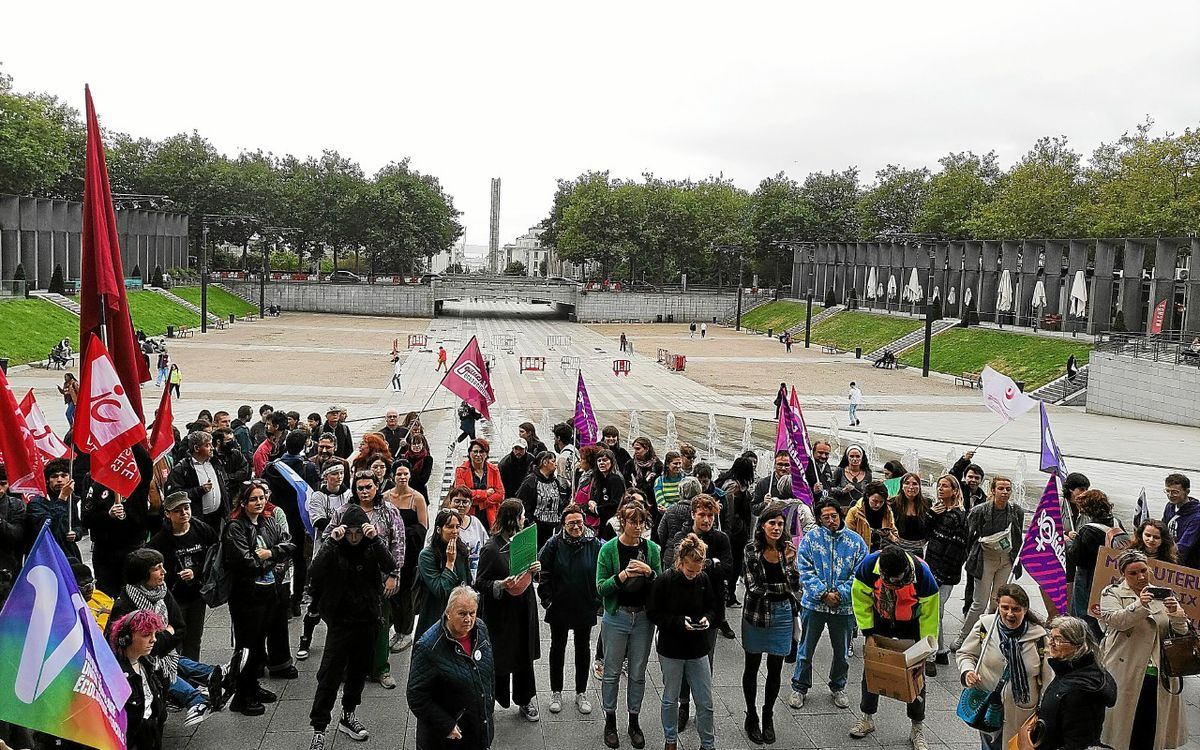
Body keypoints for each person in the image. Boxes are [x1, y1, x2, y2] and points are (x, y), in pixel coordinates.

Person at [306, 504, 397, 750]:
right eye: (350, 533)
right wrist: (332, 542)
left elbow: (390, 565)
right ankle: (319, 727)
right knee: (330, 674)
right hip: (341, 621)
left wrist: (376, 539)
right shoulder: (336, 548)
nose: (354, 538)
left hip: (367, 619)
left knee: (359, 671)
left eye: (358, 533)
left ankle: (348, 714)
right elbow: (313, 571)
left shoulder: (371, 547)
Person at [849, 546, 940, 749]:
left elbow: (930, 612)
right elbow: (860, 597)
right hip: (880, 619)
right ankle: (867, 718)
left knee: (916, 677)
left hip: (911, 623)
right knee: (871, 671)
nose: (894, 584)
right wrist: (868, 632)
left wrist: (925, 646)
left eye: (898, 580)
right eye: (889, 580)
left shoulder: (922, 573)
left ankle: (917, 728)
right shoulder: (869, 566)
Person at [1098, 549, 1189, 750]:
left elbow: (1181, 632)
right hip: (1126, 669)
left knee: (1151, 728)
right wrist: (1140, 605)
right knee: (1124, 730)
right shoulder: (1111, 593)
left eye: (1143, 571)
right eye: (1133, 573)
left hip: (1158, 673)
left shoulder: (1163, 593)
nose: (1140, 577)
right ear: (1123, 574)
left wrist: (1176, 613)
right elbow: (1117, 621)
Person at [323, 471, 404, 689]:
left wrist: (394, 575)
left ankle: (380, 669)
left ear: (377, 487)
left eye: (369, 487)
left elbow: (398, 545)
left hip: (379, 579)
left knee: (381, 624)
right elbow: (326, 538)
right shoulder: (343, 512)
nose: (365, 491)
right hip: (349, 580)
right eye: (360, 488)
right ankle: (348, 668)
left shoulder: (389, 511)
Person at [223, 481, 295, 716]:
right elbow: (247, 563)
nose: (259, 502)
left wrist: (270, 553)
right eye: (253, 499)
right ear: (243, 502)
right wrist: (271, 559)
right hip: (246, 597)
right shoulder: (235, 527)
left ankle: (253, 686)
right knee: (247, 647)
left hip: (269, 592)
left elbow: (288, 544)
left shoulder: (268, 520)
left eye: (261, 498)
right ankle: (241, 696)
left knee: (260, 645)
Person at [790, 499, 867, 712]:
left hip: (844, 608)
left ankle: (838, 685)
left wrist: (840, 594)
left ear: (840, 515)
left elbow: (861, 574)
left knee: (841, 651)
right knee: (806, 648)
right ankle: (799, 686)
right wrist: (823, 593)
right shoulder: (811, 539)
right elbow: (804, 569)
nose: (831, 521)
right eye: (826, 517)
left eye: (834, 516)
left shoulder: (856, 542)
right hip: (814, 605)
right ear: (819, 519)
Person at [596, 501, 662, 749]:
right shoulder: (609, 550)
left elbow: (661, 583)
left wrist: (649, 572)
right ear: (622, 522)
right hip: (617, 616)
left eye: (641, 522)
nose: (637, 527)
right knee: (611, 671)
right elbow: (600, 587)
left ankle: (634, 720)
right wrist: (622, 576)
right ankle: (610, 719)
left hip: (643, 618)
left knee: (637, 672)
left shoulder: (652, 549)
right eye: (632, 521)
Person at [956, 584, 1051, 750]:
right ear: (997, 605)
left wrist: (1044, 710)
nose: (1009, 614)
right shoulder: (985, 626)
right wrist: (968, 671)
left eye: (1016, 609)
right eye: (1004, 607)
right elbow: (966, 654)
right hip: (988, 705)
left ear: (1025, 609)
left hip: (1021, 711)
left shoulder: (1039, 637)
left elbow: (1048, 678)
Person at [663, 494, 734, 712]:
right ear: (693, 513)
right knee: (683, 661)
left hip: (711, 609)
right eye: (702, 514)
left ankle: (702, 703)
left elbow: (729, 569)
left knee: (705, 660)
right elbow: (674, 567)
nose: (706, 519)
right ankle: (683, 704)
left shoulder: (721, 539)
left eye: (710, 515)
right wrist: (712, 563)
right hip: (683, 607)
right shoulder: (681, 536)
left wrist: (701, 565)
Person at [648, 533, 720, 750]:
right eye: (690, 570)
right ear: (680, 562)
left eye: (698, 571)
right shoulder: (664, 581)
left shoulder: (703, 579)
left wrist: (708, 618)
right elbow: (653, 613)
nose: (694, 575)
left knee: (705, 702)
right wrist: (679, 622)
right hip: (671, 647)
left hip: (698, 647)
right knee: (670, 698)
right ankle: (670, 740)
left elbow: (713, 607)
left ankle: (708, 743)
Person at [740, 501, 800, 746]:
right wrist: (782, 587)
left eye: (780, 524)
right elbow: (753, 586)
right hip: (756, 614)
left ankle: (768, 714)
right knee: (752, 666)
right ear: (762, 525)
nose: (776, 528)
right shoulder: (751, 550)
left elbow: (795, 587)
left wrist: (789, 564)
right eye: (771, 523)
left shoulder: (787, 549)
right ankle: (751, 714)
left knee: (775, 669)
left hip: (782, 615)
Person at [476, 499, 543, 721]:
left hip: (524, 608)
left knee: (524, 655)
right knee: (501, 658)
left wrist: (536, 569)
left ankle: (525, 699)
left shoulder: (523, 541)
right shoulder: (491, 549)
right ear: (513, 519)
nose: (524, 519)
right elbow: (480, 582)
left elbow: (531, 572)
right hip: (501, 615)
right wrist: (501, 584)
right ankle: (492, 700)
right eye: (522, 515)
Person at [407, 586, 495, 750]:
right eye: (462, 614)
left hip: (478, 728)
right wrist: (446, 725)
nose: (468, 619)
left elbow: (489, 672)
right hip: (448, 738)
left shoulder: (480, 629)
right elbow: (415, 695)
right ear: (448, 612)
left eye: (472, 613)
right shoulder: (428, 647)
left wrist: (488, 707)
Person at [538, 503, 603, 715]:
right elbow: (543, 573)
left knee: (583, 649)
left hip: (585, 605)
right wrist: (547, 599)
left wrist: (596, 601)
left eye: (579, 522)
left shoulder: (594, 544)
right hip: (560, 606)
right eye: (571, 523)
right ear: (563, 525)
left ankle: (580, 693)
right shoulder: (553, 544)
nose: (576, 527)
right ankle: (556, 691)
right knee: (557, 648)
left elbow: (601, 573)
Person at [954, 475, 1024, 650]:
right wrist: (971, 557)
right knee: (980, 602)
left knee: (997, 601)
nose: (1005, 492)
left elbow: (1017, 537)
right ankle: (963, 637)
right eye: (1001, 488)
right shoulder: (979, 511)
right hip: (985, 558)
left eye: (1008, 489)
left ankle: (989, 635)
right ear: (992, 490)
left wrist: (1018, 560)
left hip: (1006, 560)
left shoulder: (1016, 511)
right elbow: (969, 536)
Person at [147, 492, 219, 662]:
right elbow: (151, 566)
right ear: (168, 514)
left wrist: (197, 571)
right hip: (173, 597)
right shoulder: (161, 540)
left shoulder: (202, 529)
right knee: (175, 639)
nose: (184, 513)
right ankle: (176, 677)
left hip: (197, 595)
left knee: (194, 639)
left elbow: (215, 556)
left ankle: (194, 678)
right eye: (178, 511)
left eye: (186, 508)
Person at [1034, 615, 1117, 750]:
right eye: (1051, 636)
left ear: (1077, 645)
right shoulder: (1070, 670)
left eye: (1058, 639)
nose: (1051, 643)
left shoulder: (1079, 690)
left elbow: (1077, 742)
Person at [82, 445, 154, 596]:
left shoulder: (137, 480)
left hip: (133, 549)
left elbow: (146, 462)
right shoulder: (94, 479)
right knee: (107, 596)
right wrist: (107, 515)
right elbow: (86, 519)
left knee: (135, 594)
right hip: (105, 552)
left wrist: (125, 436)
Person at [922, 474, 970, 673]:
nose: (941, 489)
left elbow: (957, 549)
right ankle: (940, 651)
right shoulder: (939, 510)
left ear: (954, 490)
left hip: (944, 573)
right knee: (935, 611)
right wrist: (931, 514)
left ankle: (931, 655)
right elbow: (924, 533)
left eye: (945, 486)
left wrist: (940, 575)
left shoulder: (959, 516)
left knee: (935, 612)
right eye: (939, 486)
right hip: (931, 565)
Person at [383, 459, 428, 654]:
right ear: (393, 476)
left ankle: (406, 631)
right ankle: (395, 628)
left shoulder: (417, 498)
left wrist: (403, 532)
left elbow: (423, 527)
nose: (402, 477)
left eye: (405, 474)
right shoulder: (385, 497)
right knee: (391, 592)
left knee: (407, 593)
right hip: (389, 553)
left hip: (409, 553)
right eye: (398, 474)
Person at [1065, 488, 1126, 633]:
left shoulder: (1088, 530)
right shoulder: (1117, 523)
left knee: (1084, 613)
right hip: (1111, 574)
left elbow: (1076, 558)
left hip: (1088, 577)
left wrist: (1069, 542)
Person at [108, 611, 169, 750]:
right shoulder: (114, 674)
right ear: (126, 638)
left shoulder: (148, 664)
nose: (153, 639)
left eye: (154, 634)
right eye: (146, 635)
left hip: (150, 736)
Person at [416, 508, 474, 642]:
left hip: (459, 617)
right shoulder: (427, 556)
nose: (455, 531)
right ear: (438, 529)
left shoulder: (461, 550)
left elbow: (467, 583)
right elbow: (441, 590)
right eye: (449, 527)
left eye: (457, 527)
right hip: (435, 616)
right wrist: (450, 562)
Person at [166, 431, 231, 532]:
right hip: (196, 519)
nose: (212, 448)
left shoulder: (215, 462)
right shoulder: (182, 468)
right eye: (208, 445)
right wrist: (199, 490)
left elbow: (224, 484)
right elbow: (174, 495)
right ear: (196, 448)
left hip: (218, 516)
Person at [716, 456, 755, 607]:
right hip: (735, 534)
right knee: (734, 564)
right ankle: (729, 595)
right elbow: (729, 512)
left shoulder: (732, 482)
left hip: (735, 532)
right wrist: (730, 531)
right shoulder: (734, 487)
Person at [25, 458, 81, 561]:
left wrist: (75, 533)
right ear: (47, 480)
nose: (59, 480)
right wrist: (62, 498)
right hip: (47, 558)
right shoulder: (36, 503)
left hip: (69, 555)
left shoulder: (72, 500)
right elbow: (48, 529)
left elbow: (77, 525)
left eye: (64, 476)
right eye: (54, 476)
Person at [517, 451, 570, 550]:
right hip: (536, 528)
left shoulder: (555, 482)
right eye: (553, 461)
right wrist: (531, 522)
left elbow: (559, 504)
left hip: (553, 527)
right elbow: (522, 505)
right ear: (545, 463)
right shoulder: (531, 481)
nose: (556, 464)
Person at [453, 438, 504, 527]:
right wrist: (485, 493)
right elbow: (462, 494)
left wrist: (480, 504)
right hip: (468, 514)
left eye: (481, 452)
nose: (478, 455)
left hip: (490, 516)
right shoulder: (461, 470)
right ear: (469, 453)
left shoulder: (494, 470)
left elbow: (500, 495)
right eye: (475, 451)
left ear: (486, 454)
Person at [845, 480, 898, 552]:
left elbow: (896, 537)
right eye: (875, 501)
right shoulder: (854, 512)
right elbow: (847, 537)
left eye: (881, 502)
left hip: (882, 551)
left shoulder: (887, 512)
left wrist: (888, 534)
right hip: (861, 552)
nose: (878, 505)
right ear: (867, 496)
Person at [891, 472, 931, 558]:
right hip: (897, 548)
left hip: (919, 549)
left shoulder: (927, 503)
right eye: (907, 483)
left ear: (919, 487)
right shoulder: (893, 503)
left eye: (915, 484)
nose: (911, 487)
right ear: (902, 486)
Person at [1162, 473, 1198, 567]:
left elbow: (1185, 545)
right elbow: (1162, 528)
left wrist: (1166, 558)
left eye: (1175, 492)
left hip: (1190, 562)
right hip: (1169, 553)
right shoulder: (1170, 506)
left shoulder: (1196, 516)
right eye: (1167, 491)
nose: (1170, 495)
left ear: (1187, 491)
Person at [400, 420, 434, 500]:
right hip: (405, 494)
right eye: (414, 444)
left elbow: (423, 480)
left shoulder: (427, 459)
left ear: (423, 445)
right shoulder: (405, 458)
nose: (416, 446)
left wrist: (410, 476)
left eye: (419, 444)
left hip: (420, 494)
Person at [622, 436, 663, 502]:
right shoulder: (630, 464)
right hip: (636, 500)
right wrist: (646, 480)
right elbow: (626, 484)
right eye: (634, 449)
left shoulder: (657, 465)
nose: (635, 452)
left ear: (647, 449)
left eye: (638, 449)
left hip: (653, 500)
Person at [653, 451, 686, 518]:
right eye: (675, 463)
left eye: (680, 463)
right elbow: (661, 503)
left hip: (681, 517)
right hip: (664, 518)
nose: (678, 466)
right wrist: (677, 509)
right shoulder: (659, 481)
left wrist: (668, 510)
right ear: (668, 464)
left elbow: (686, 502)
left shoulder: (685, 480)